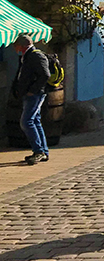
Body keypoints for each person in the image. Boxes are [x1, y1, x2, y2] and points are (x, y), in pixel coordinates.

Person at [12, 35, 51, 165]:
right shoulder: (26, 56)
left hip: (35, 95)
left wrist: (32, 90)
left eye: (16, 45)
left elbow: (45, 75)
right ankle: (43, 152)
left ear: (22, 46)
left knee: (26, 121)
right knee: (35, 121)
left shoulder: (35, 55)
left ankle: (38, 151)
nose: (15, 48)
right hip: (30, 94)